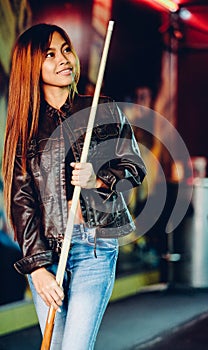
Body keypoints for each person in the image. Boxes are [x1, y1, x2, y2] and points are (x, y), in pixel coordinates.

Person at [2, 23, 146, 349]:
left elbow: (134, 168)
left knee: (75, 346)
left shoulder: (101, 108)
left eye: (66, 49)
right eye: (50, 54)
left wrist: (99, 179)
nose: (64, 59)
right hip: (47, 252)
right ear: (31, 66)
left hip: (94, 246)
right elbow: (21, 201)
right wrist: (37, 268)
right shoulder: (25, 126)